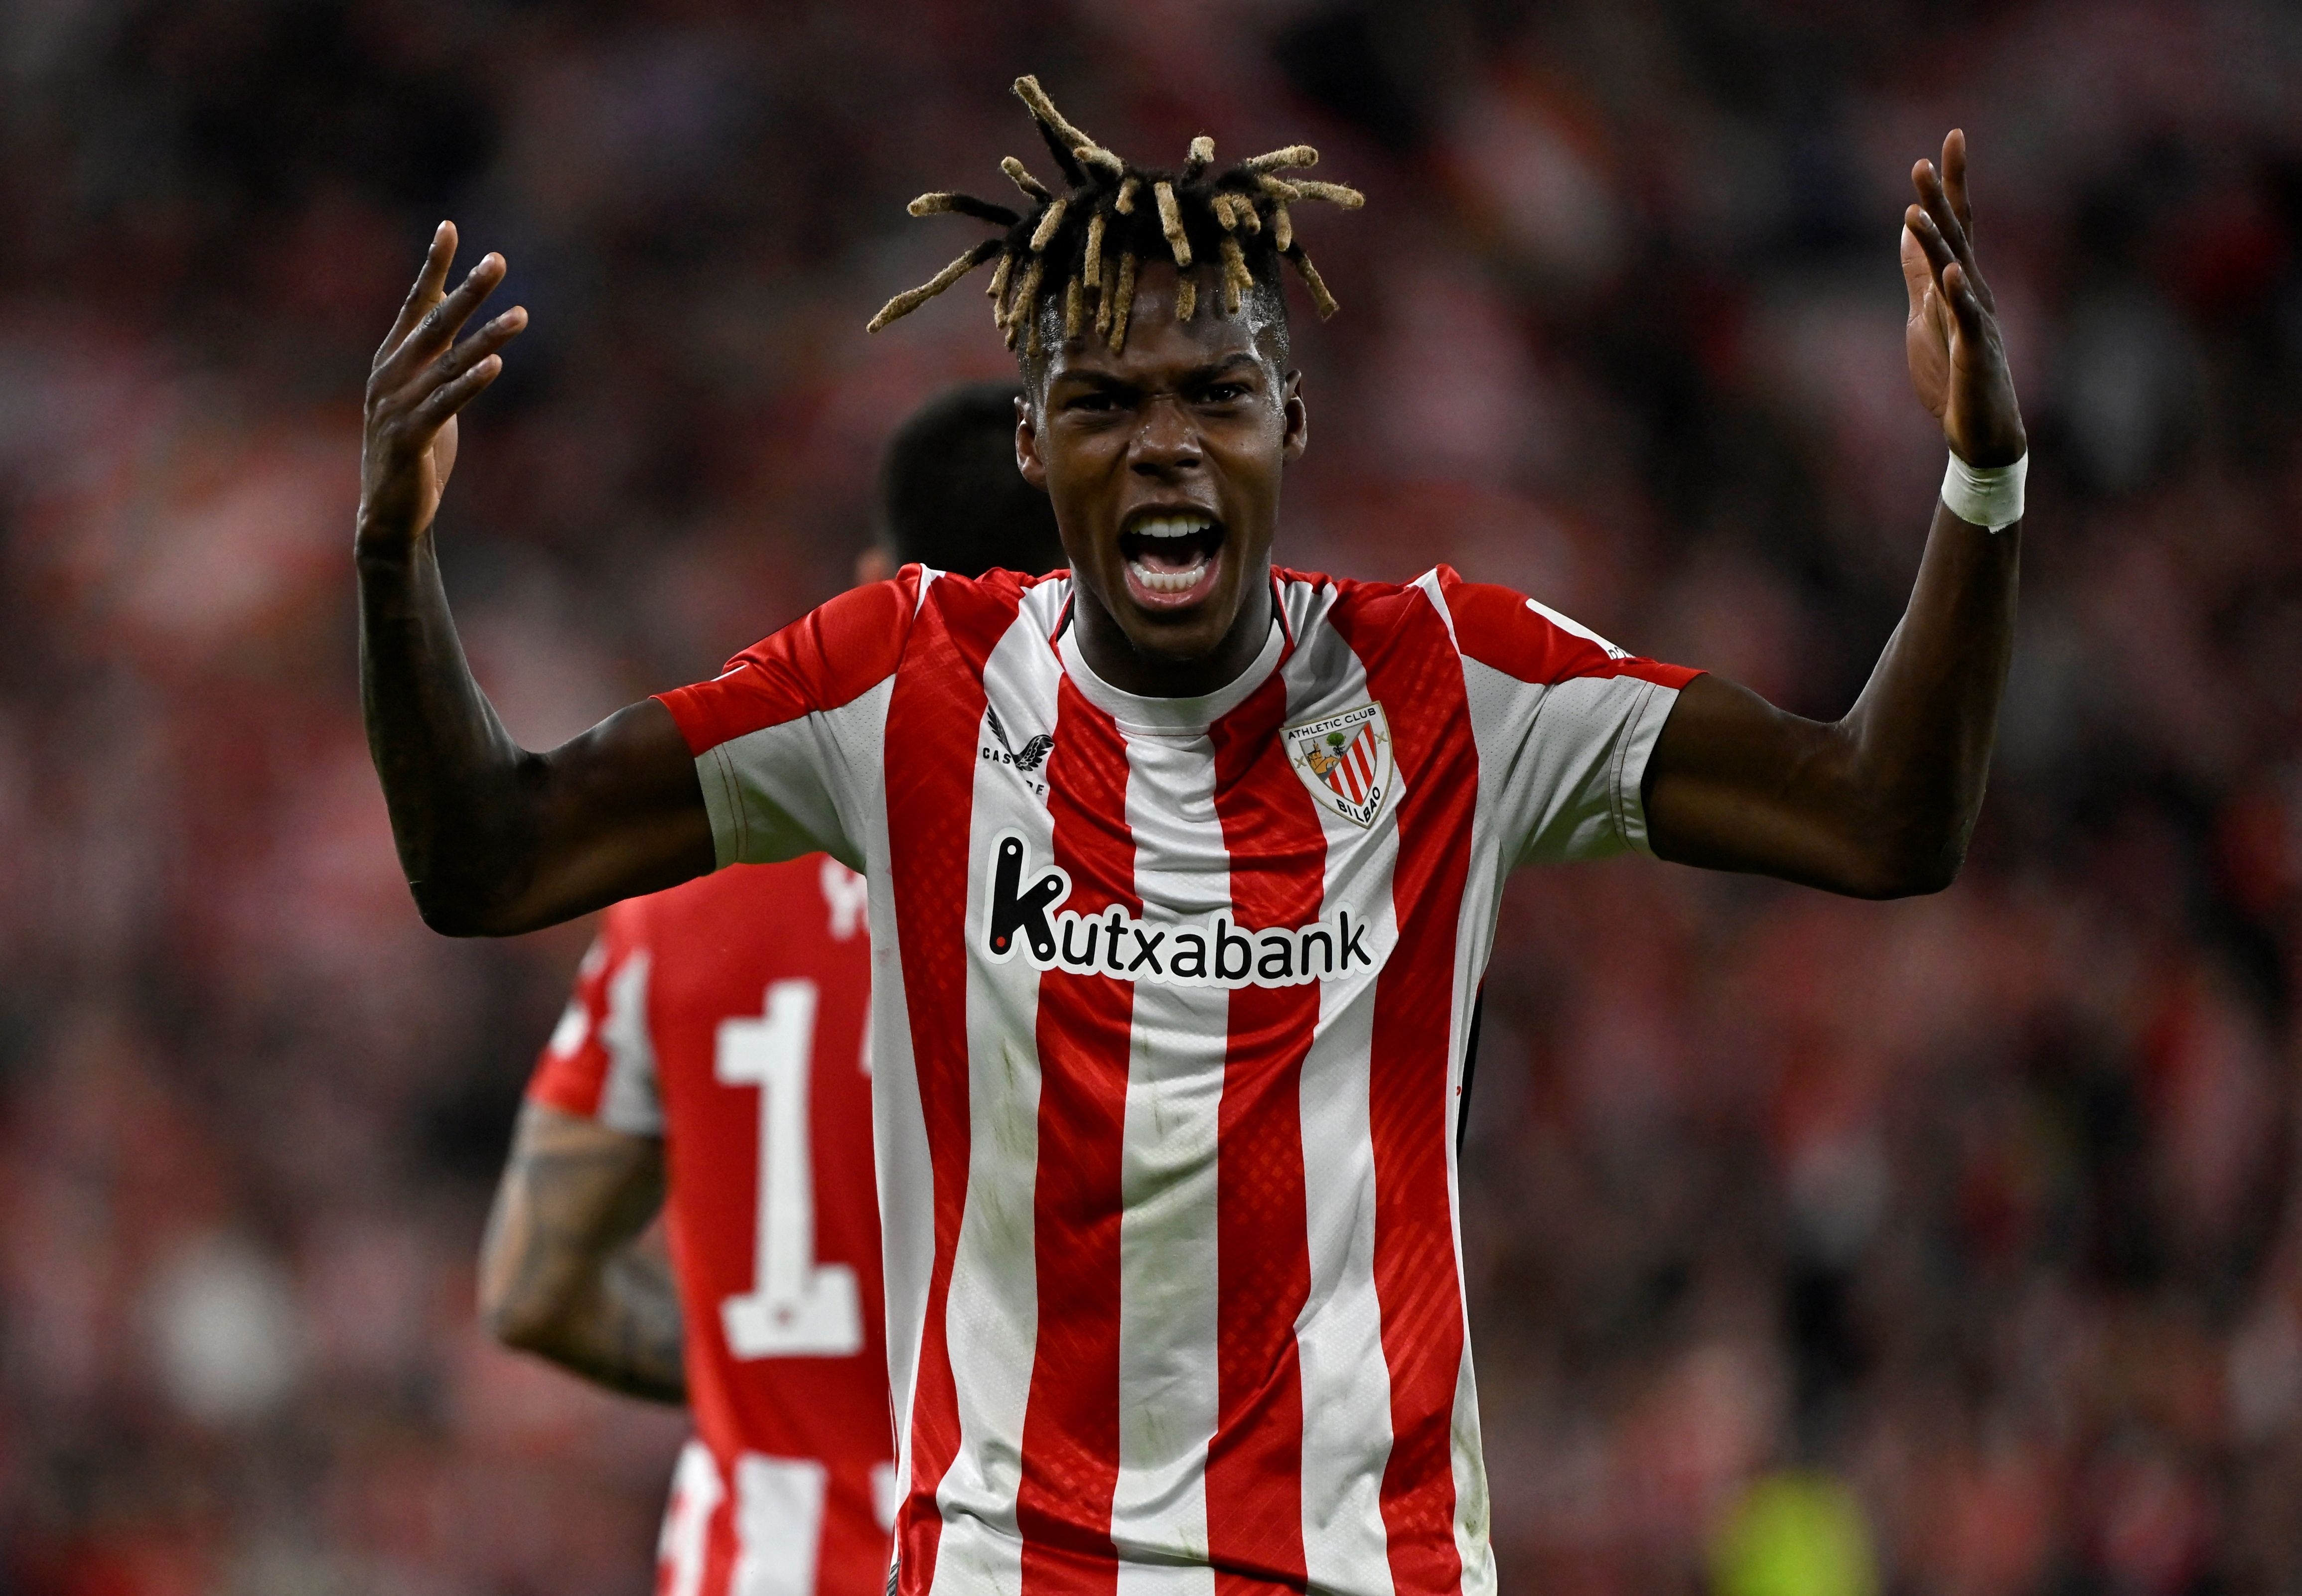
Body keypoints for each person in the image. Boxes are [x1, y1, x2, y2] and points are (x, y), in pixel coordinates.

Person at [354, 75, 2023, 1596]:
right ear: (1033, 446)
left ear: (1290, 423)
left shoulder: (1452, 681)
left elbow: (1882, 813)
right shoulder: (904, 685)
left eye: (1219, 390)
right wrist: (393, 557)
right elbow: (489, 857)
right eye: (1105, 400)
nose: (1166, 439)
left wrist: (1979, 483)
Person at [474, 384, 1064, 1596]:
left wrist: (778, 1381)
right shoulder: (1151, 902)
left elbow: (536, 1289)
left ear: (874, 585)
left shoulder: (684, 891)